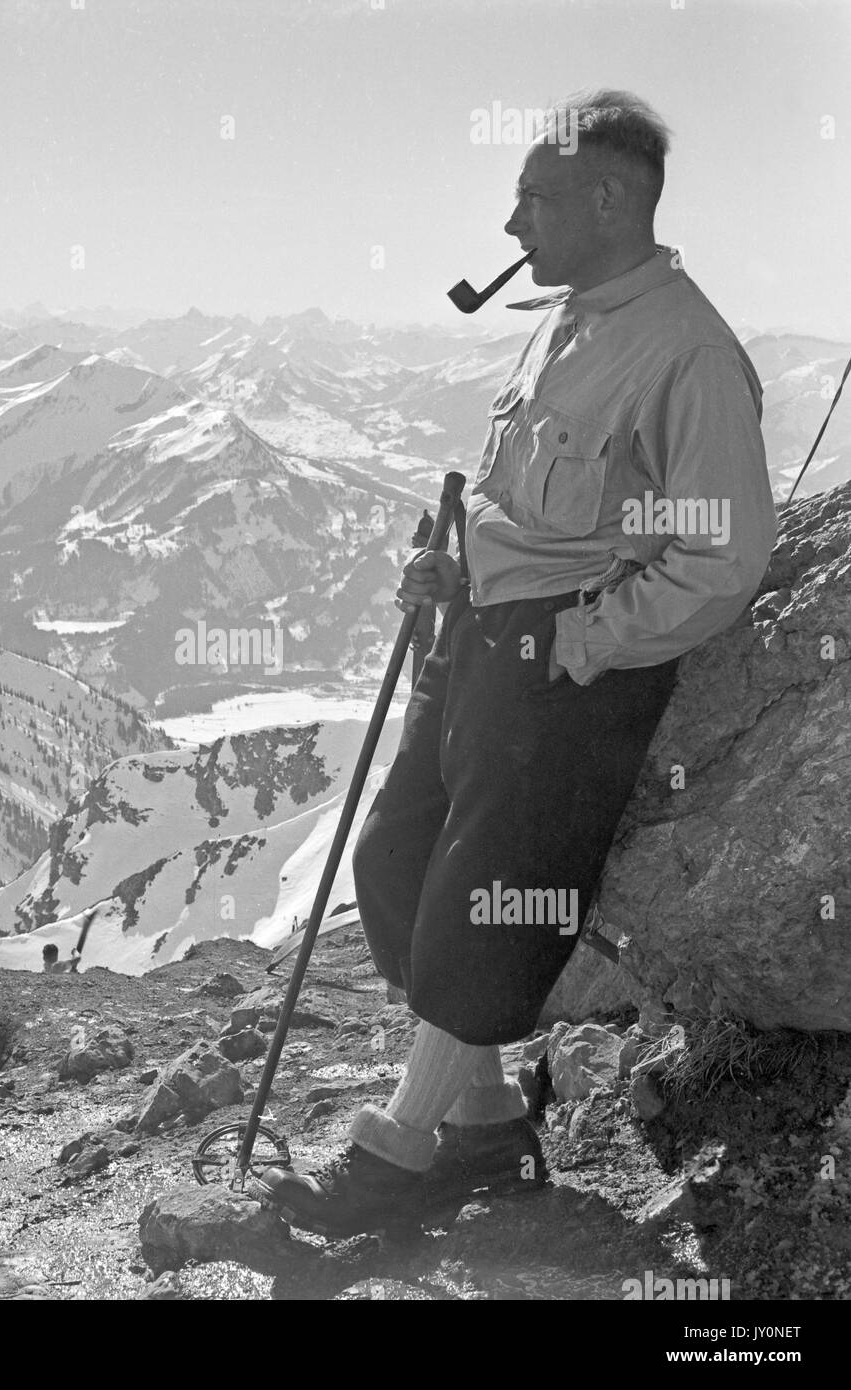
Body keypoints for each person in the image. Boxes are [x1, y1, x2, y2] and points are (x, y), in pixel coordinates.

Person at [251, 90, 776, 1237]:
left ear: (609, 199)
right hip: (484, 642)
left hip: (567, 672)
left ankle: (399, 1153)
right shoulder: (570, 317)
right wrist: (455, 573)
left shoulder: (687, 351)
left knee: (484, 904)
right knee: (396, 866)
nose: (510, 225)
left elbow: (726, 554)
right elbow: (520, 501)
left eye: (533, 197)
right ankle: (485, 1126)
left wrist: (584, 641)